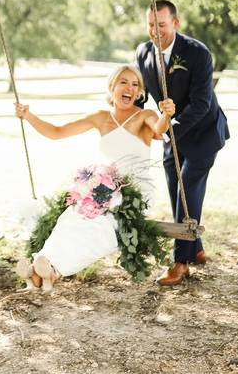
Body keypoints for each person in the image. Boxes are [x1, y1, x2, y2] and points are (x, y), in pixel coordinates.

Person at [13, 64, 175, 292]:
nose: (130, 88)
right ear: (112, 87)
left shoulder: (145, 116)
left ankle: (51, 271)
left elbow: (159, 128)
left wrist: (166, 114)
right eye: (124, 82)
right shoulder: (100, 118)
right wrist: (28, 116)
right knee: (72, 216)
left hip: (135, 191)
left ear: (139, 93)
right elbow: (57, 132)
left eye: (135, 84)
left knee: (101, 226)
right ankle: (42, 268)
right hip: (104, 185)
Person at [135, 0, 229, 286]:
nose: (155, 31)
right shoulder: (142, 53)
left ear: (176, 23)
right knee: (177, 192)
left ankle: (181, 263)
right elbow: (141, 95)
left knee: (187, 189)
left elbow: (201, 104)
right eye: (151, 25)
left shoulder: (198, 53)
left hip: (203, 134)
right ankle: (196, 247)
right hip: (171, 137)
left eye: (161, 25)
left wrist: (168, 131)